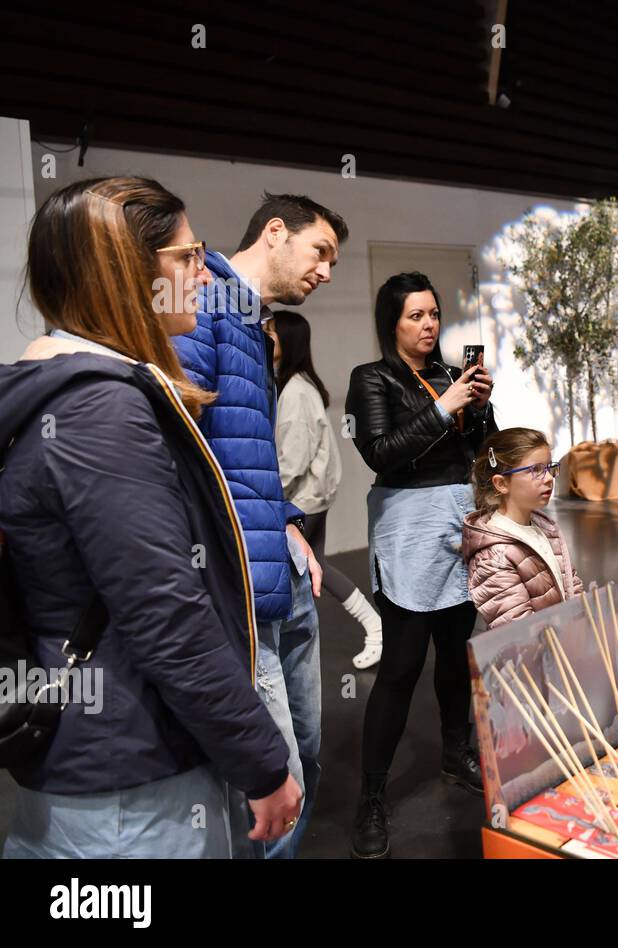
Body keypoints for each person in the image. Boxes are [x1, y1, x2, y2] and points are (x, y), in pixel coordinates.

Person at [0, 177, 301, 857]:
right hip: (127, 784)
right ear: (125, 275)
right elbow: (165, 612)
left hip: (106, 770)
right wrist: (261, 759)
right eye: (188, 257)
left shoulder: (83, 396)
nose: (204, 275)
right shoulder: (100, 412)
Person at [172, 192, 349, 859]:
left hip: (280, 575)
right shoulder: (207, 303)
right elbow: (182, 451)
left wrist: (286, 521)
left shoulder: (248, 317)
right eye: (320, 252)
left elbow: (241, 454)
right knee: (278, 789)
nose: (327, 271)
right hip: (242, 594)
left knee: (304, 754)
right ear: (275, 232)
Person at [345, 271, 496, 858]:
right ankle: (372, 795)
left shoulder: (451, 379)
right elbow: (380, 453)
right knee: (402, 665)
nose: (429, 324)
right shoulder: (372, 378)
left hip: (460, 519)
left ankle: (456, 751)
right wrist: (443, 409)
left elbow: (482, 451)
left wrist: (479, 410)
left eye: (433, 314)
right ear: (392, 323)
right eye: (415, 315)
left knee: (457, 654)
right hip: (408, 527)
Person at [268, 310, 383, 669]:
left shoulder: (297, 391)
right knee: (318, 564)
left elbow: (293, 461)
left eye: (271, 331)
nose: (265, 336)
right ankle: (375, 626)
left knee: (302, 574)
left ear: (286, 341)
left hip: (302, 500)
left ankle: (288, 655)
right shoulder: (295, 385)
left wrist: (265, 494)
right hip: (309, 496)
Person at [463, 428, 584, 629]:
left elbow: (572, 586)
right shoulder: (493, 556)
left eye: (549, 468)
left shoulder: (545, 529)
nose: (548, 478)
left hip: (566, 647)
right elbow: (518, 632)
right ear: (501, 483)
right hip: (541, 656)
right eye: (535, 470)